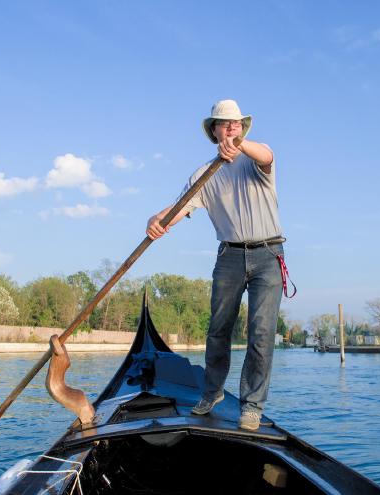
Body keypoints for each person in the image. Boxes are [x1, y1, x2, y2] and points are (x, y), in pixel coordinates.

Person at [146, 99, 286, 431]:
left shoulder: (256, 160)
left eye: (236, 123)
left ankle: (252, 405)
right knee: (219, 329)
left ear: (242, 128)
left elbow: (268, 155)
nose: (232, 126)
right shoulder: (203, 174)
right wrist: (157, 219)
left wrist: (240, 147)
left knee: (262, 332)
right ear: (214, 131)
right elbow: (178, 209)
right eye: (225, 123)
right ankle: (212, 393)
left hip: (269, 254)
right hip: (230, 258)